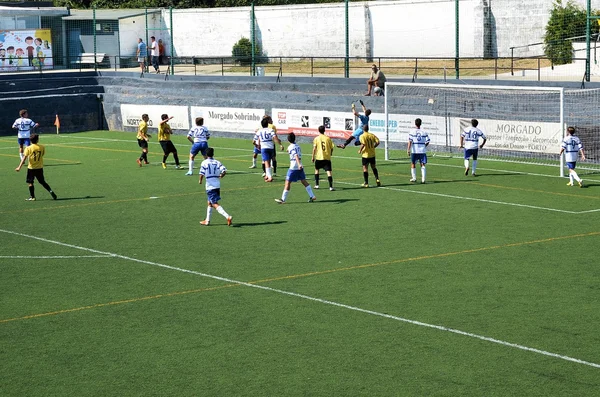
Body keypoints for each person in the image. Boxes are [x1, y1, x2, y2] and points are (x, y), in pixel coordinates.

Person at [275, 132, 316, 204]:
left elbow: (296, 155)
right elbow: (292, 151)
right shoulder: (297, 146)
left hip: (294, 167)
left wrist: (298, 164)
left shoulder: (291, 147)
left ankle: (283, 199)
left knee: (287, 182)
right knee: (303, 181)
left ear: (288, 140)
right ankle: (312, 195)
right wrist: (300, 164)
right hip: (300, 166)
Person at [15, 133, 57, 201]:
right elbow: (42, 154)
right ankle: (50, 191)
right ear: (37, 140)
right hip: (39, 167)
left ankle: (32, 197)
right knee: (42, 181)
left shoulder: (28, 148)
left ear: (30, 140)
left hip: (31, 168)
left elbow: (24, 158)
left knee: (30, 182)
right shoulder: (42, 147)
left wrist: (19, 167)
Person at [199, 147, 232, 226]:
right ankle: (207, 220)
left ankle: (227, 216)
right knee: (209, 202)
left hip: (210, 186)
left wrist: (200, 180)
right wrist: (221, 175)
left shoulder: (204, 162)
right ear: (213, 154)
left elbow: (202, 173)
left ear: (206, 154)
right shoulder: (217, 162)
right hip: (217, 185)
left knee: (214, 203)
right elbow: (224, 170)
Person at [256, 117, 284, 182]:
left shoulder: (260, 131)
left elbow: (256, 139)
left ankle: (270, 177)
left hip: (264, 148)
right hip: (271, 147)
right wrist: (280, 144)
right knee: (271, 160)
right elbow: (275, 137)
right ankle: (268, 175)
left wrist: (258, 145)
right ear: (267, 124)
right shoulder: (271, 130)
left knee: (266, 162)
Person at [312, 125, 335, 191]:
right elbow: (332, 147)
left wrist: (313, 157)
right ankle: (331, 187)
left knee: (317, 170)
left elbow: (314, 149)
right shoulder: (328, 138)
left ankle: (317, 185)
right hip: (326, 158)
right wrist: (330, 153)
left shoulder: (316, 138)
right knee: (329, 172)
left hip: (319, 157)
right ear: (324, 130)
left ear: (318, 130)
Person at [407, 118, 430, 184]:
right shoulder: (424, 132)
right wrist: (424, 146)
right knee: (422, 164)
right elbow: (428, 140)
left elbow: (410, 141)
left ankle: (414, 178)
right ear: (421, 124)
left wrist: (408, 149)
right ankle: (423, 179)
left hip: (414, 151)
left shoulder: (412, 132)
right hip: (422, 151)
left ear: (415, 123)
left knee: (413, 163)